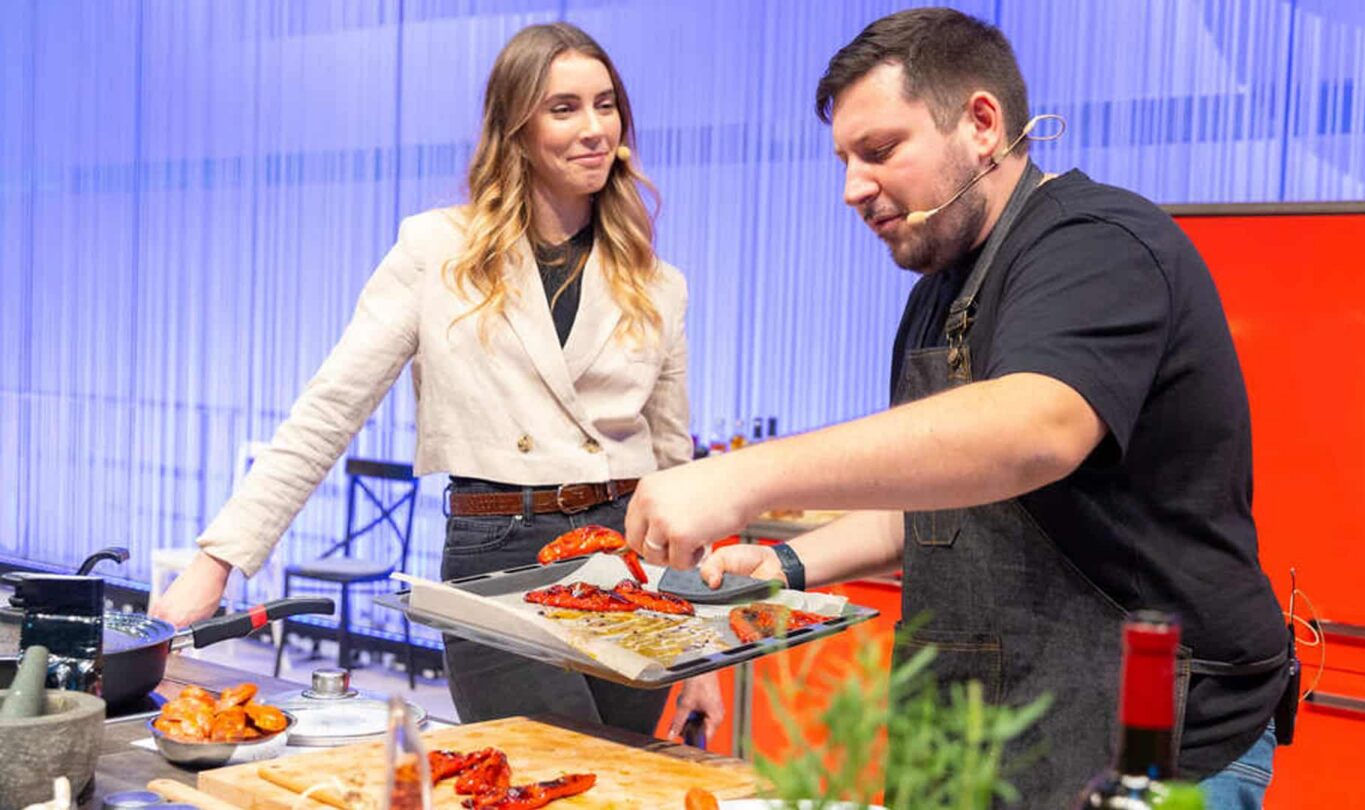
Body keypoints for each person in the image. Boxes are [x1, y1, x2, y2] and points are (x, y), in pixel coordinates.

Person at [623, 8, 1289, 808]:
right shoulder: (938, 291)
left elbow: (1031, 431)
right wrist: (788, 563)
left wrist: (739, 478)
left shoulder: (1099, 243)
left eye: (878, 151)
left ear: (981, 123)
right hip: (981, 729)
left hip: (1157, 745)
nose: (851, 189)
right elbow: (946, 507)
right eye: (843, 160)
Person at [150, 22, 722, 740]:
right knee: (547, 771)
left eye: (606, 105)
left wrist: (701, 645)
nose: (594, 129)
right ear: (515, 129)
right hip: (499, 552)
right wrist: (219, 560)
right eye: (564, 108)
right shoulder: (437, 251)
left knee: (619, 776)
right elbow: (331, 408)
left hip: (629, 557)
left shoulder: (657, 282)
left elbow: (675, 469)